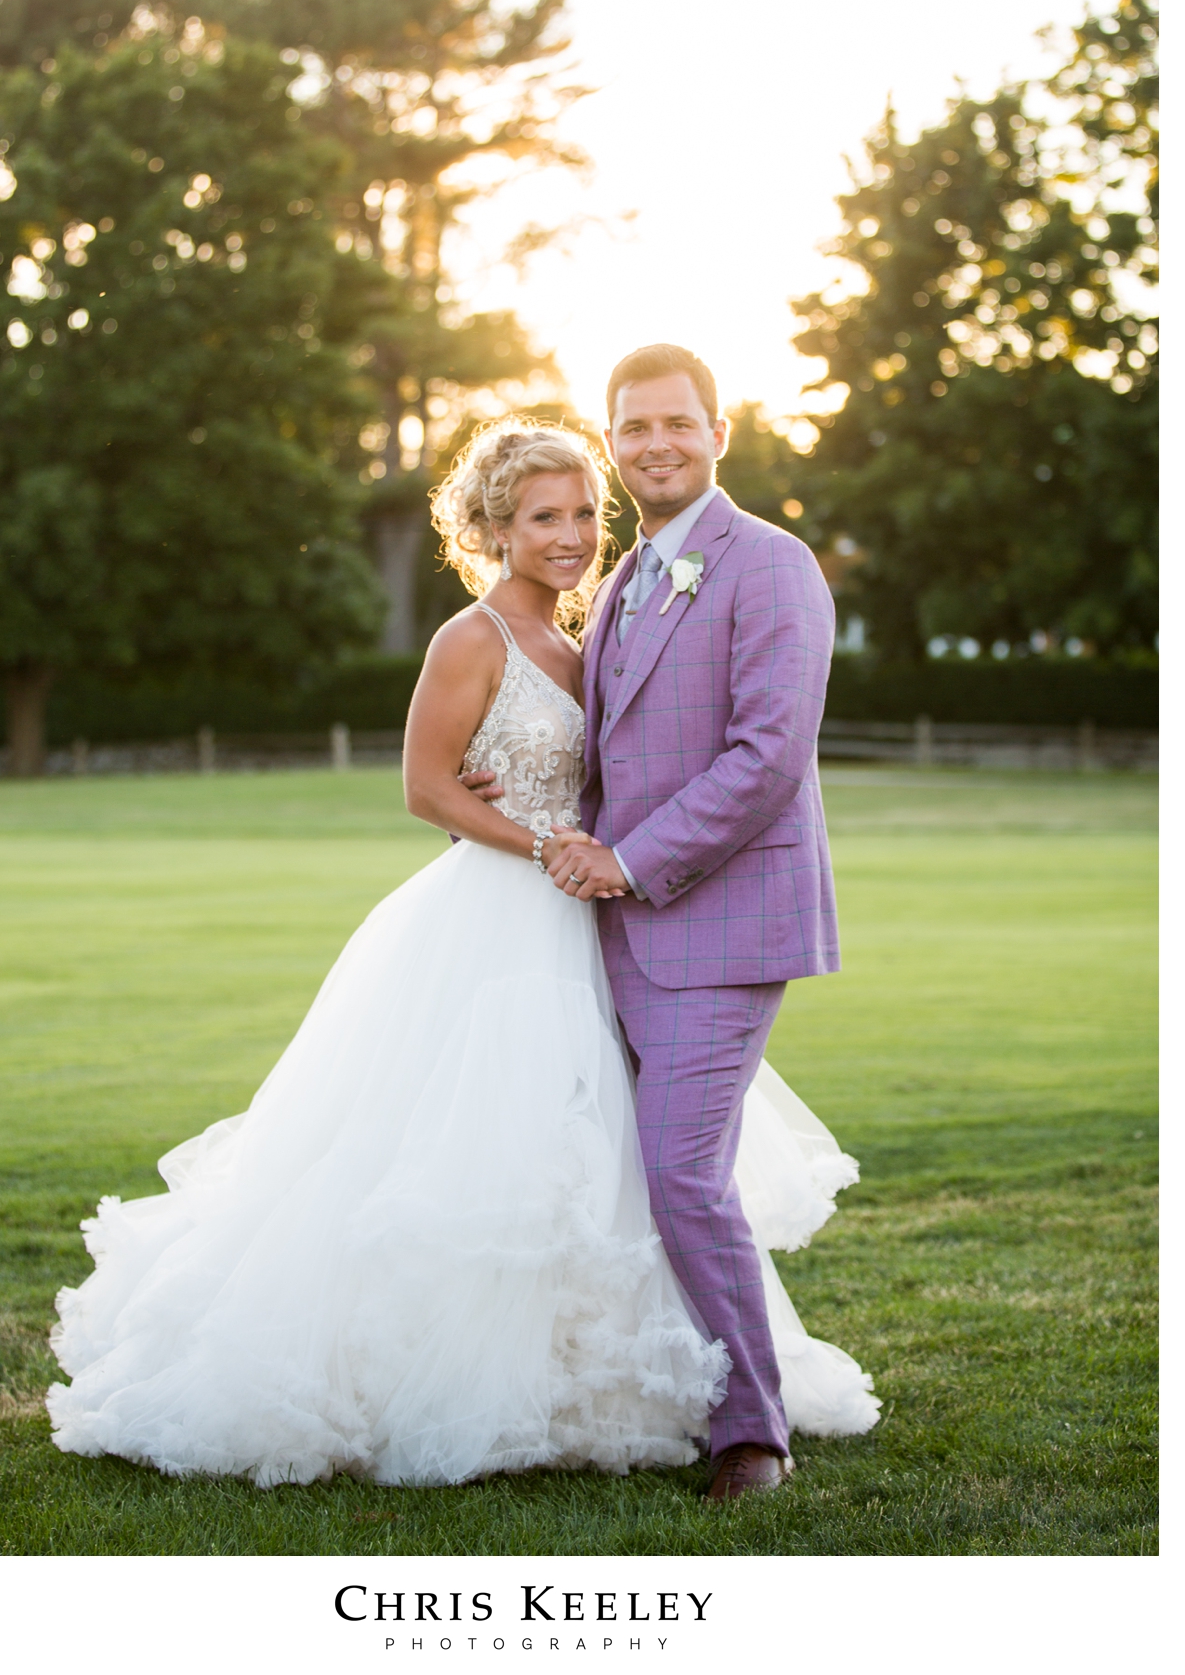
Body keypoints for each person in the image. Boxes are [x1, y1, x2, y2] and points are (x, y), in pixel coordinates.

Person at [47, 412, 876, 1494]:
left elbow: (631, 770)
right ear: (495, 526)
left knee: (592, 1151)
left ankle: (602, 1374)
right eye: (545, 516)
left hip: (591, 914)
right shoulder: (470, 638)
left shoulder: (597, 632)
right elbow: (425, 785)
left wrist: (578, 842)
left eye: (585, 511)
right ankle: (445, 1371)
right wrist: (533, 836)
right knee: (467, 1141)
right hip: (495, 916)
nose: (573, 532)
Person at [465, 345, 862, 1497]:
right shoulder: (628, 575)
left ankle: (751, 1430)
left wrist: (630, 860)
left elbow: (767, 754)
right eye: (632, 427)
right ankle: (655, 1383)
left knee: (681, 1174)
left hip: (723, 921)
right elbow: (608, 753)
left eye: (677, 424)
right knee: (631, 1173)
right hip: (615, 935)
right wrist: (506, 796)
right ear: (614, 438)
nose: (655, 444)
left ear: (718, 431)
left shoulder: (771, 565)